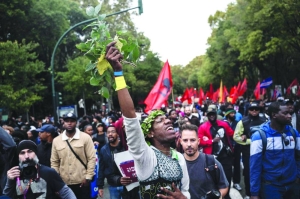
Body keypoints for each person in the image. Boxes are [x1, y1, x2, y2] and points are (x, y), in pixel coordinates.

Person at [105, 41, 190, 199]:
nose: (168, 122)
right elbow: (129, 115)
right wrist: (118, 72)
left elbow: (186, 191)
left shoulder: (179, 158)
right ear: (150, 133)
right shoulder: (145, 156)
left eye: (166, 119)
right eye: (160, 121)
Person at [250, 102, 300, 199]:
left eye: (290, 113)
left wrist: (298, 176)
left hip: (293, 186)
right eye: (285, 113)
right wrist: (254, 193)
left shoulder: (294, 133)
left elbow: (298, 157)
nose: (289, 116)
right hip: (270, 188)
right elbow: (255, 167)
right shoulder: (259, 136)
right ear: (274, 115)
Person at [3, 140, 76, 199]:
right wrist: (10, 180)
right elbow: (8, 195)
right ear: (18, 156)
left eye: (30, 151)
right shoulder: (15, 173)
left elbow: (66, 193)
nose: (27, 156)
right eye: (22, 153)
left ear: (36, 153)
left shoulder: (48, 172)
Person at [51, 112, 96, 199]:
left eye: (72, 121)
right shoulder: (56, 140)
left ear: (76, 123)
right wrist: (56, 182)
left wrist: (88, 177)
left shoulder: (85, 138)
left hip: (82, 182)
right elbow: (54, 162)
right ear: (63, 123)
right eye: (67, 121)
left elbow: (91, 158)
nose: (69, 123)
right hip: (64, 184)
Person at [181, 124, 229, 199]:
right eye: (185, 140)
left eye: (193, 140)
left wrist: (217, 196)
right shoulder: (176, 163)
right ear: (180, 141)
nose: (189, 144)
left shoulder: (211, 161)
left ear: (198, 141)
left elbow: (224, 186)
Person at [198, 104, 234, 199]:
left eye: (213, 114)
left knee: (227, 177)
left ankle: (226, 195)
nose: (212, 115)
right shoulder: (203, 127)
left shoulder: (224, 124)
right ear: (207, 115)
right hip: (211, 158)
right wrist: (212, 141)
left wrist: (243, 134)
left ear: (216, 114)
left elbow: (232, 134)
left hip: (226, 157)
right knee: (213, 179)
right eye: (210, 114)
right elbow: (199, 141)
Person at [234, 102, 266, 199]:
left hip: (263, 151)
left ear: (259, 110)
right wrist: (250, 141)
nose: (254, 111)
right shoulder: (242, 122)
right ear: (248, 110)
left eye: (256, 109)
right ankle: (248, 193)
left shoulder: (265, 120)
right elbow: (235, 137)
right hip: (248, 152)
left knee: (263, 171)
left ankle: (261, 193)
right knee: (249, 172)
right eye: (252, 109)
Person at [97, 125, 139, 199]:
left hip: (128, 185)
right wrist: (100, 186)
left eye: (113, 132)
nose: (110, 134)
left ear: (117, 134)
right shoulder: (104, 150)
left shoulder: (125, 147)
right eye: (108, 132)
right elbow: (101, 169)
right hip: (113, 186)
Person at [224, 108, 242, 191]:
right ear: (227, 115)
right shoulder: (223, 124)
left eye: (234, 113)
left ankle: (236, 182)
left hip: (237, 146)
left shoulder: (238, 123)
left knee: (237, 165)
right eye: (231, 113)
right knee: (227, 166)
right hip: (227, 148)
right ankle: (225, 183)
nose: (233, 115)